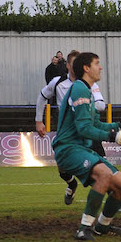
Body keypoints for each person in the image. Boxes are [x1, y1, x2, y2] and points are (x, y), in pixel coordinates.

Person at [52, 51, 121, 241]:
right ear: (86, 68)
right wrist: (114, 136)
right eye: (97, 63)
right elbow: (84, 128)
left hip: (81, 149)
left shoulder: (87, 91)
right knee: (104, 174)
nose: (100, 67)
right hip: (68, 148)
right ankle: (84, 228)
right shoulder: (79, 88)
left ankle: (102, 227)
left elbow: (95, 125)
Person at [36, 49, 108, 205]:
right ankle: (72, 184)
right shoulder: (58, 82)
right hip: (67, 132)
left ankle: (112, 196)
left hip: (86, 127)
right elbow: (42, 96)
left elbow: (101, 105)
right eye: (75, 63)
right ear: (68, 65)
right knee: (63, 168)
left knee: (103, 163)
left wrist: (88, 107)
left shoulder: (89, 83)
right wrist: (38, 120)